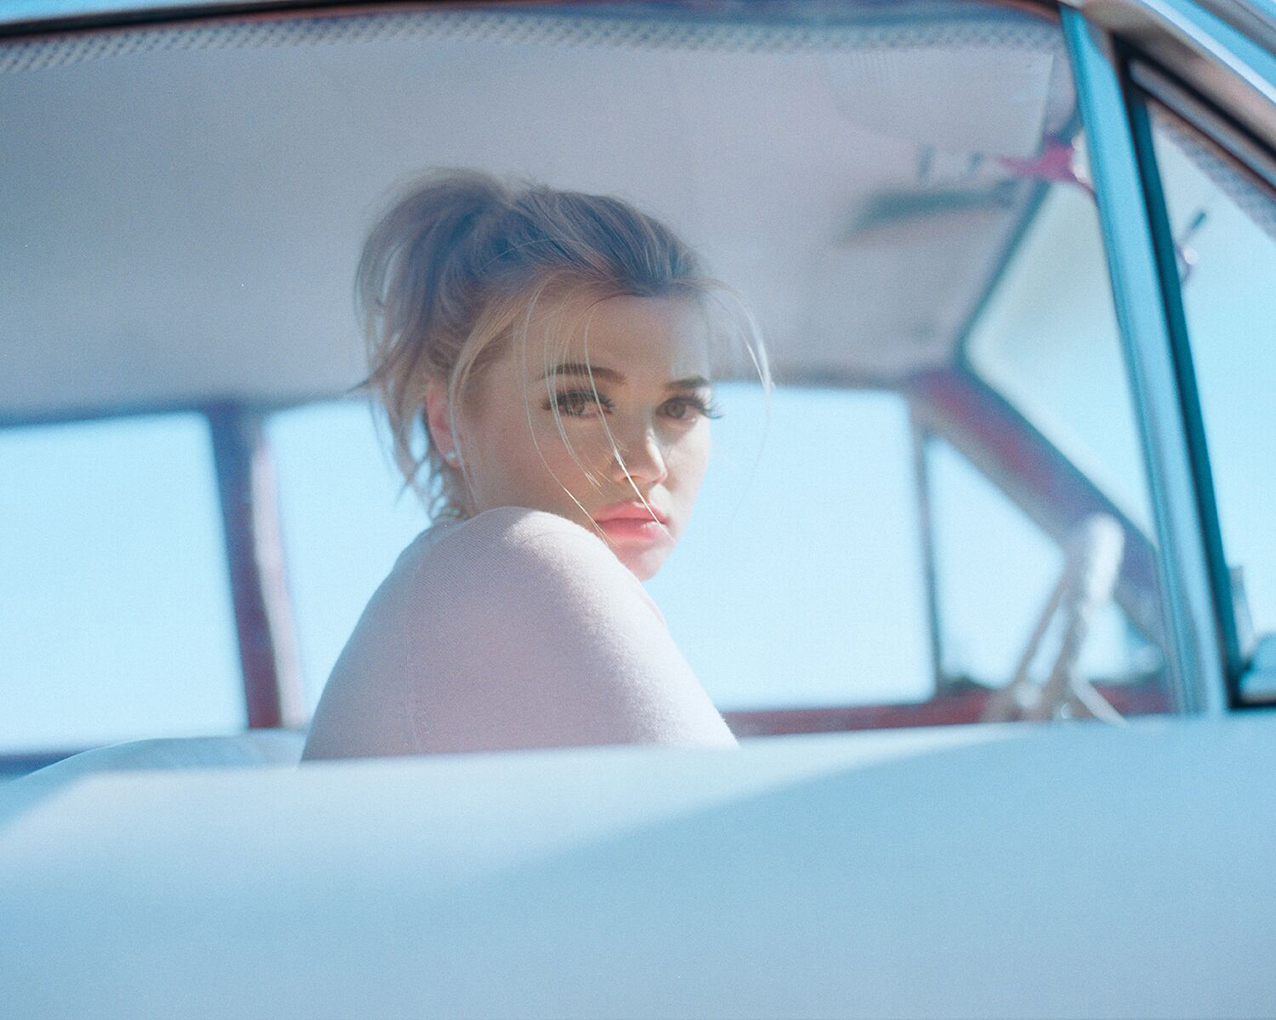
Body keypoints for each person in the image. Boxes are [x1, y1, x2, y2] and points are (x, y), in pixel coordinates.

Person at [301, 170, 769, 761]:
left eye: (680, 408)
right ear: (448, 422)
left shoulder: (453, 580)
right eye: (580, 402)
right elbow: (738, 820)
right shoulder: (527, 557)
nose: (646, 462)